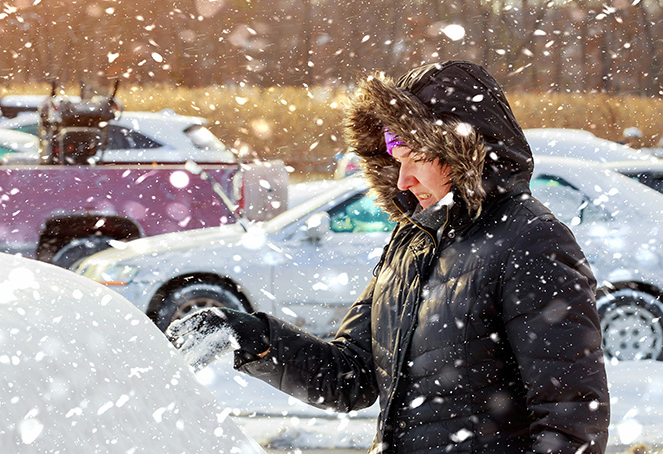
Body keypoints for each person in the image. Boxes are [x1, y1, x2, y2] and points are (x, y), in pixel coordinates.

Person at [167, 60, 610, 454]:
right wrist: (250, 336)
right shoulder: (412, 241)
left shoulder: (531, 241)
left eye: (415, 156)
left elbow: (572, 422)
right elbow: (350, 377)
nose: (402, 179)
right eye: (395, 158)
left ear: (461, 151)